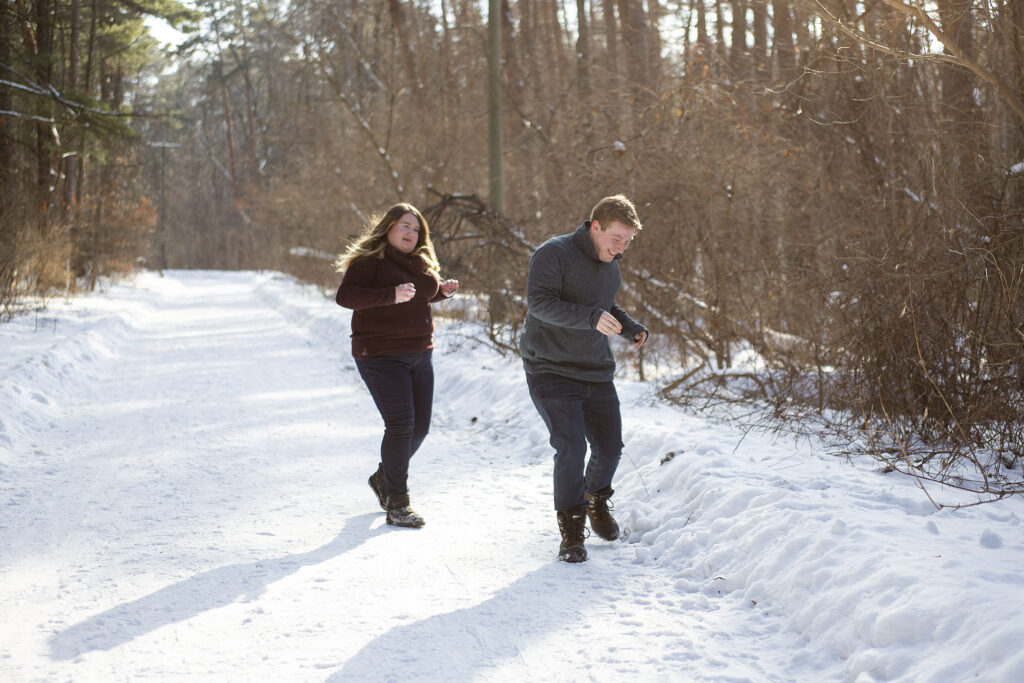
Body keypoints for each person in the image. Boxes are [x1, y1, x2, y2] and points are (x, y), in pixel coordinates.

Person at [519, 194, 649, 562]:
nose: (622, 248)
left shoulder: (611, 264)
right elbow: (540, 303)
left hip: (594, 369)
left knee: (609, 448)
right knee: (572, 447)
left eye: (628, 241)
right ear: (596, 227)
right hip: (550, 367)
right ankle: (572, 531)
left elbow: (604, 305)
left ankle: (595, 500)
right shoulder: (553, 253)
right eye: (617, 238)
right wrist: (591, 318)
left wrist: (629, 327)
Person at [335, 203, 458, 527]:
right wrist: (389, 295)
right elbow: (345, 296)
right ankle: (398, 503)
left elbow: (419, 295)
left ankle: (384, 478)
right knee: (401, 424)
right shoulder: (369, 261)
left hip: (420, 351)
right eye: (404, 226)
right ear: (388, 227)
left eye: (416, 229)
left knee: (420, 428)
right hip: (379, 353)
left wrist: (440, 293)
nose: (410, 233)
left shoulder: (420, 263)